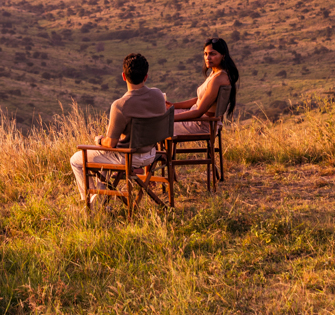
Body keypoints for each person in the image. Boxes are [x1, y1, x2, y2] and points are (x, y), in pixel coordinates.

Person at [70, 52, 167, 202]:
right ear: (146, 76)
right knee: (106, 156)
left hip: (128, 158)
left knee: (76, 159)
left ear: (123, 76)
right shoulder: (158, 95)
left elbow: (111, 143)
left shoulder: (120, 105)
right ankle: (100, 197)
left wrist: (100, 140)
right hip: (151, 154)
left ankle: (89, 201)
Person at [167, 37, 239, 135]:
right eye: (205, 54)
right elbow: (200, 100)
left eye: (212, 54)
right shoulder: (215, 73)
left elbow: (199, 112)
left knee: (158, 124)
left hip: (201, 124)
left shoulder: (218, 79)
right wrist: (173, 105)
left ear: (223, 55)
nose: (207, 58)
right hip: (199, 120)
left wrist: (169, 119)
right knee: (162, 113)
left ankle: (153, 150)